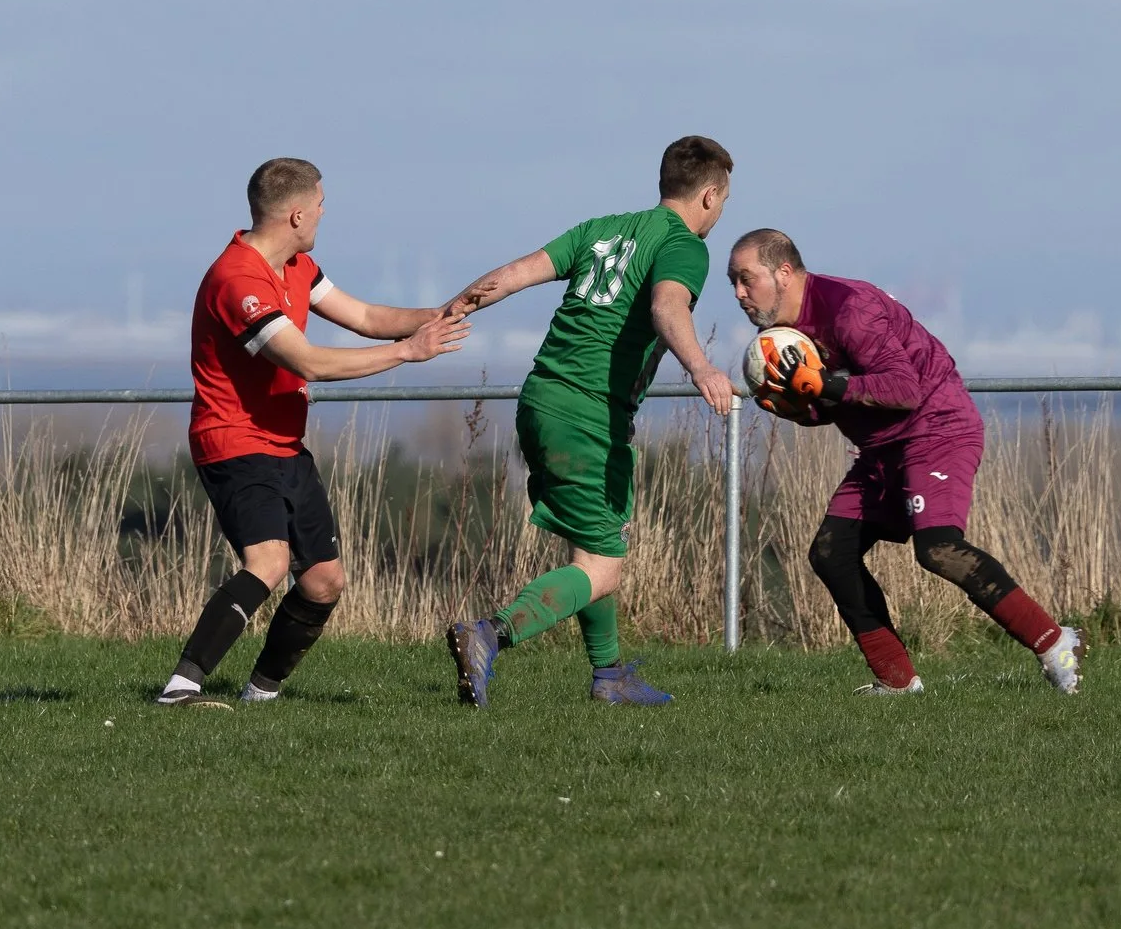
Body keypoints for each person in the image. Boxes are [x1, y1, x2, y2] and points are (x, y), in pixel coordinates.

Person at [156, 158, 470, 706]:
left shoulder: (298, 264)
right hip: (233, 440)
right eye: (321, 203)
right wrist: (406, 353)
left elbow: (366, 316)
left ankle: (261, 696)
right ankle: (181, 688)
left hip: (284, 445)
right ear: (297, 213)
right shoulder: (237, 280)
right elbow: (308, 363)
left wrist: (441, 313)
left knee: (324, 580)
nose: (326, 211)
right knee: (270, 563)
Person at [438, 136, 737, 707]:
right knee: (602, 568)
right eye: (723, 202)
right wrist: (701, 367)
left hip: (540, 399)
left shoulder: (600, 229)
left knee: (594, 545)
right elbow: (667, 307)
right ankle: (488, 634)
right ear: (708, 195)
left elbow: (512, 274)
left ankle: (610, 677)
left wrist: (445, 314)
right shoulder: (683, 246)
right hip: (588, 414)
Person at [725, 228, 1082, 696]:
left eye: (746, 279)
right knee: (832, 555)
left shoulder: (851, 308)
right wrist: (798, 409)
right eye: (733, 282)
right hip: (881, 449)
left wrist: (824, 388)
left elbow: (904, 390)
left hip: (936, 429)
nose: (738, 294)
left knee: (937, 549)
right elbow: (830, 404)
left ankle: (1054, 642)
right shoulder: (780, 337)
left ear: (785, 273)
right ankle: (897, 682)